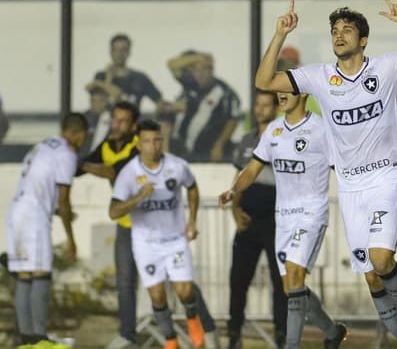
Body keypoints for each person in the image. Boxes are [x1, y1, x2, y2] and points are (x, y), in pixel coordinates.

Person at [254, 0, 397, 347]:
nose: (339, 34)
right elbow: (265, 81)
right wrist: (280, 34)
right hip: (350, 187)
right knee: (373, 278)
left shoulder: (387, 68)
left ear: (363, 40)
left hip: (386, 177)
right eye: (334, 30)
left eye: (347, 29)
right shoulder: (319, 77)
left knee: (380, 259)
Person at [78, 102, 220, 349]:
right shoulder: (115, 155)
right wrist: (71, 161)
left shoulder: (158, 158)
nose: (116, 125)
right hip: (136, 232)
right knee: (135, 286)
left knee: (184, 287)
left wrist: (192, 220)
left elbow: (113, 171)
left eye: (123, 121)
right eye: (115, 119)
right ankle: (146, 337)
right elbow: (106, 194)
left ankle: (200, 322)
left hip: (170, 234)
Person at [219, 85, 346, 349]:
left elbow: (343, 170)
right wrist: (233, 191)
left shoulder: (323, 130)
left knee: (294, 275)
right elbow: (252, 169)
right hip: (284, 218)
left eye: (288, 90)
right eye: (280, 91)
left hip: (311, 214)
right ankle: (332, 331)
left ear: (305, 95)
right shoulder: (273, 132)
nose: (281, 94)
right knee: (291, 287)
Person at [109, 120, 204, 349]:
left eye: (157, 140)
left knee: (185, 291)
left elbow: (192, 187)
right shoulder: (129, 173)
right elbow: (113, 211)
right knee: (158, 296)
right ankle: (170, 339)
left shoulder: (177, 166)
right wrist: (138, 198)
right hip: (146, 243)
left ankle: (192, 318)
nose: (154, 146)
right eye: (148, 141)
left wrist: (192, 219)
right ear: (139, 145)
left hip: (175, 240)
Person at [6, 113, 88, 345]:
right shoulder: (66, 154)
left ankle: (27, 339)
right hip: (34, 218)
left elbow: (39, 187)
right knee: (41, 274)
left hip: (17, 213)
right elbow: (63, 198)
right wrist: (71, 238)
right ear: (80, 134)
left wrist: (57, 210)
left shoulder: (42, 146)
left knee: (24, 276)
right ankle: (40, 338)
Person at [226, 91, 287, 349]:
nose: (260, 109)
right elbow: (238, 179)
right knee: (238, 280)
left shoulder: (284, 136)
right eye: (257, 105)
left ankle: (282, 335)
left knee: (279, 281)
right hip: (249, 219)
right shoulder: (246, 140)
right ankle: (234, 334)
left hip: (276, 218)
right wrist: (234, 211)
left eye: (265, 105)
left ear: (275, 108)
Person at [167, 51, 242, 162]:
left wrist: (219, 146)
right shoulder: (190, 85)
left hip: (207, 150)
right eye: (196, 70)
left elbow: (233, 120)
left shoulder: (225, 92)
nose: (200, 74)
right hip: (182, 148)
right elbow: (171, 64)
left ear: (211, 70)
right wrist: (198, 57)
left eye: (204, 69)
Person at [93, 33, 164, 109]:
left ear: (129, 52)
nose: (119, 54)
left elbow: (159, 101)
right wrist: (108, 79)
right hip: (107, 120)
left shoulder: (140, 78)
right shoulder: (101, 76)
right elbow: (98, 105)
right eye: (116, 50)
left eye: (123, 50)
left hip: (132, 119)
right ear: (111, 52)